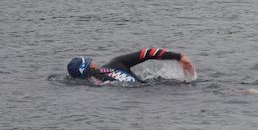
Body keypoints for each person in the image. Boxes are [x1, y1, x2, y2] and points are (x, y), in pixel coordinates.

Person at [67, 47, 195, 85]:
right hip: (147, 89)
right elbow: (148, 52)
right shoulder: (115, 64)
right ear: (91, 65)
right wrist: (180, 57)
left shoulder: (90, 83)